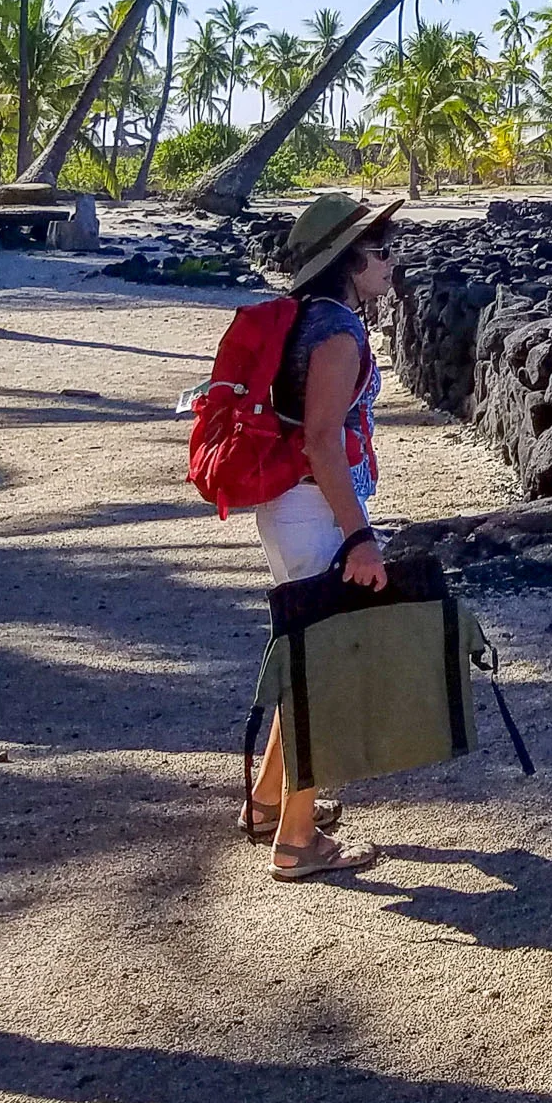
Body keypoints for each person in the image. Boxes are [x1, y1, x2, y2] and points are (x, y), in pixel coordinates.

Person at [244, 192, 404, 882]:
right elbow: (321, 441)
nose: (392, 262)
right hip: (316, 510)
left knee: (306, 658)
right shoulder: (339, 332)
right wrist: (359, 535)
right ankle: (297, 841)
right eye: (383, 251)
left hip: (291, 505)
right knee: (326, 674)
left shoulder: (306, 318)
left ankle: (268, 802)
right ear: (350, 261)